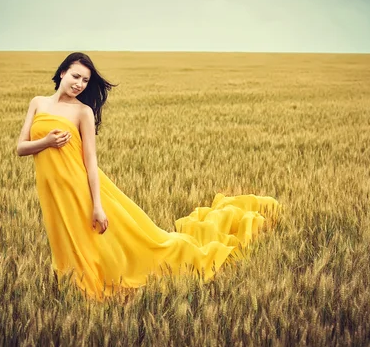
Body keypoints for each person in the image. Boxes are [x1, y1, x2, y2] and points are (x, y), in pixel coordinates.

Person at [17, 52, 280, 302]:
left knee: (99, 240)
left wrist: (97, 205)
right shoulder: (38, 103)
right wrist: (48, 142)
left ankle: (89, 287)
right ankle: (73, 285)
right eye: (75, 76)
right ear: (62, 72)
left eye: (85, 80)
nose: (80, 84)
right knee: (63, 238)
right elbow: (21, 148)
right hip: (51, 190)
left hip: (80, 188)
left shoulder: (82, 112)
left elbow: (91, 161)